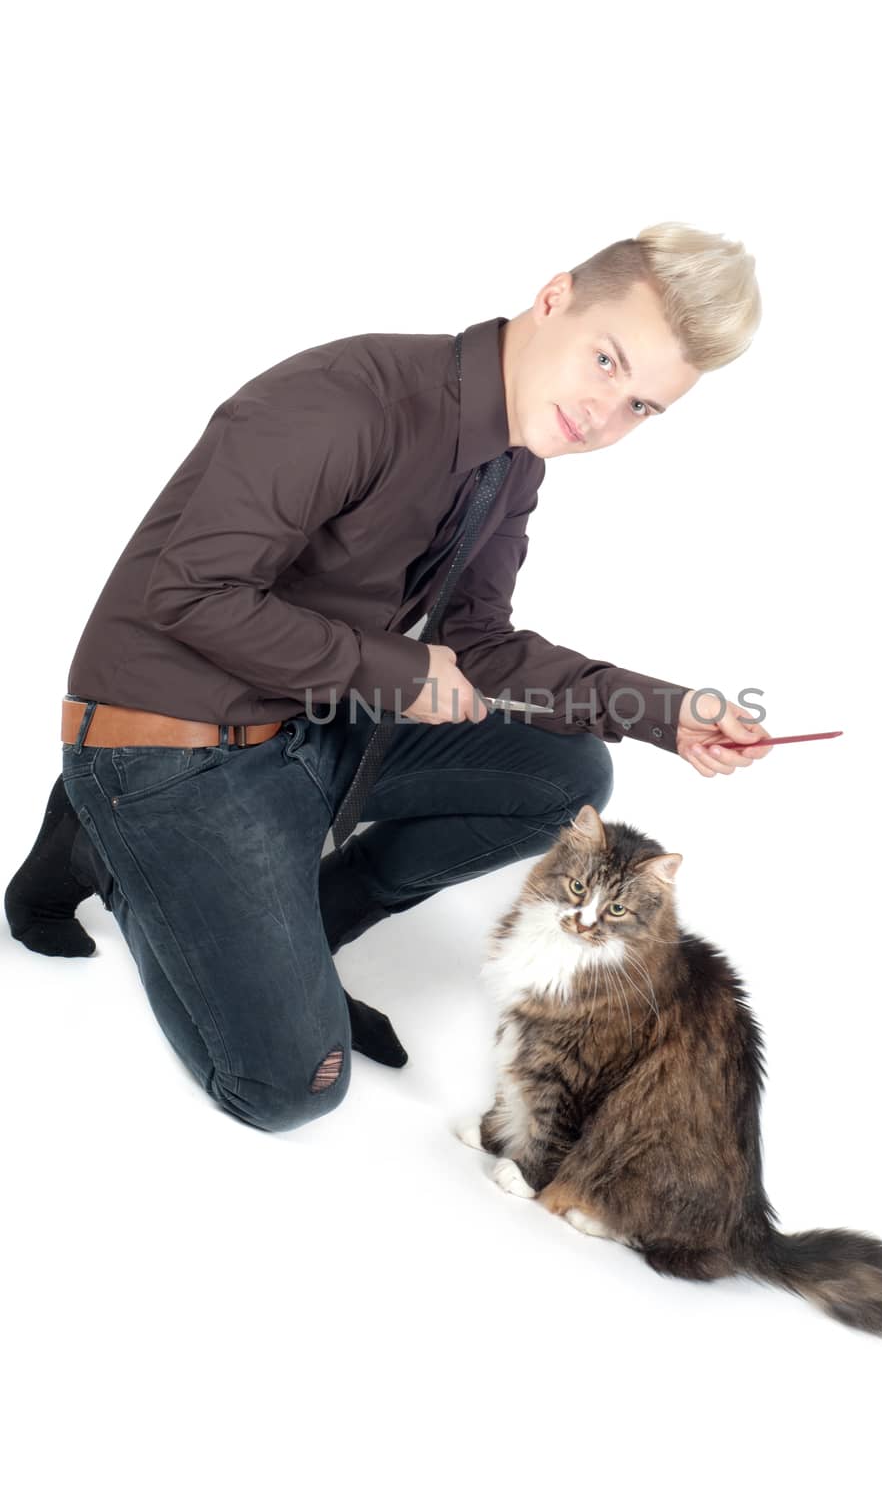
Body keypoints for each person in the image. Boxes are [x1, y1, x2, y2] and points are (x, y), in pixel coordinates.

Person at [4, 220, 773, 1131]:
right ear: (554, 296)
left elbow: (477, 642)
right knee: (291, 1087)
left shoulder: (515, 454)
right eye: (606, 362)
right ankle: (109, 843)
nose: (605, 417)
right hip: (174, 746)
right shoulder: (347, 400)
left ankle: (299, 928)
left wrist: (666, 711)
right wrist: (396, 669)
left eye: (642, 407)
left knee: (565, 778)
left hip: (310, 724)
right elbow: (191, 593)